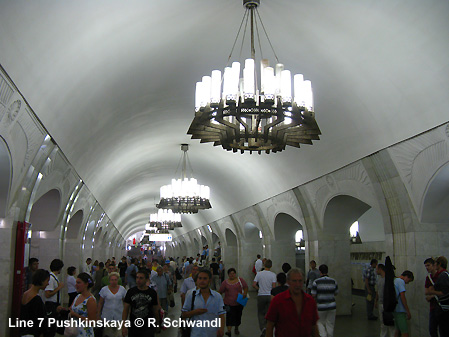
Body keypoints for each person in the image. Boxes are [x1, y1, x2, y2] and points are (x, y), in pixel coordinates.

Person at [266, 268, 319, 337]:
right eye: (294, 281)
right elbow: (270, 325)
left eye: (300, 281)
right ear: (288, 282)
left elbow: (314, 326)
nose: (297, 284)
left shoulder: (310, 301)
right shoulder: (278, 300)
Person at [182, 268, 226, 337]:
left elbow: (221, 315)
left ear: (210, 280)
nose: (202, 281)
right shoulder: (191, 295)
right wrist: (195, 312)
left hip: (212, 333)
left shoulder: (217, 296)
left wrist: (221, 329)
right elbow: (184, 314)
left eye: (205, 278)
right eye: (200, 278)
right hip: (196, 333)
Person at [122, 269, 160, 337]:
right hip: (134, 327)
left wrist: (157, 324)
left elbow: (155, 310)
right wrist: (124, 324)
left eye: (141, 278)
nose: (138, 280)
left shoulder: (152, 293)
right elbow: (126, 309)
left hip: (148, 327)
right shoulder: (131, 292)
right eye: (137, 277)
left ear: (147, 279)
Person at [20, 269, 50, 337]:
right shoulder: (36, 299)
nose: (48, 284)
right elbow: (40, 319)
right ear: (41, 280)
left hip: (24, 330)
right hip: (33, 332)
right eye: (47, 281)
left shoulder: (25, 294)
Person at [219, 267, 248, 336]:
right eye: (230, 274)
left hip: (239, 303)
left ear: (235, 274)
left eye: (233, 273)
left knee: (238, 316)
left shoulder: (240, 280)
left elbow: (245, 287)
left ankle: (236, 327)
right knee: (229, 316)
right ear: (228, 274)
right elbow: (221, 291)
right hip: (228, 303)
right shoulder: (225, 282)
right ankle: (229, 330)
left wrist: (245, 293)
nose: (232, 275)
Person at [311, 264, 338, 337]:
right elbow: (336, 293)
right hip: (332, 306)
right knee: (330, 324)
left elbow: (313, 294)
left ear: (320, 272)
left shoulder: (316, 282)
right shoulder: (333, 281)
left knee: (320, 323)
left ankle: (323, 335)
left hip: (320, 306)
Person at [97, 272, 127, 337]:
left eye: (115, 280)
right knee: (107, 334)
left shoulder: (122, 289)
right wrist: (98, 315)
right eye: (112, 280)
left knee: (119, 334)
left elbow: (125, 303)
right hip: (107, 316)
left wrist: (126, 315)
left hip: (119, 316)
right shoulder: (104, 290)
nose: (114, 281)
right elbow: (100, 303)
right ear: (109, 280)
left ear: (118, 280)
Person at [253, 259, 276, 335]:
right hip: (269, 295)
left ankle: (263, 328)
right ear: (271, 266)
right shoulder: (273, 275)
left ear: (264, 265)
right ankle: (268, 328)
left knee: (260, 313)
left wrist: (259, 289)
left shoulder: (259, 274)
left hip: (261, 295)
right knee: (268, 313)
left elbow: (254, 284)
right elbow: (274, 287)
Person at [427, 256, 449, 336]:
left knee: (443, 330)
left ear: (439, 264)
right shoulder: (444, 274)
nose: (434, 265)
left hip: (444, 308)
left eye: (435, 263)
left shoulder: (443, 275)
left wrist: (432, 292)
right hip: (443, 307)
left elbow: (444, 292)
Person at [70, 272, 97, 337]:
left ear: (86, 284)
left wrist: (76, 315)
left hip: (85, 333)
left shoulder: (90, 300)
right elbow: (71, 309)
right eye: (76, 282)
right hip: (74, 332)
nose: (76, 285)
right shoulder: (77, 297)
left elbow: (92, 322)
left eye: (79, 283)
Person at [44, 258, 65, 337]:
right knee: (51, 327)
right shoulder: (51, 278)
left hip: (54, 304)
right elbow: (48, 294)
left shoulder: (54, 277)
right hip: (50, 305)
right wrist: (59, 287)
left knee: (54, 326)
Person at [374, 264, 394, 337]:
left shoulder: (388, 279)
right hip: (381, 303)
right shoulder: (379, 279)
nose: (376, 271)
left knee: (390, 322)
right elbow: (378, 291)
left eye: (377, 269)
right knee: (382, 323)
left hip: (388, 304)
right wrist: (376, 301)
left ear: (380, 269)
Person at [393, 270, 414, 337]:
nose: (407, 283)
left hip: (394, 309)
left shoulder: (395, 280)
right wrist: (407, 311)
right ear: (406, 277)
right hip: (400, 310)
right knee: (404, 332)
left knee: (397, 331)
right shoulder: (400, 281)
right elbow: (402, 297)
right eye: (408, 281)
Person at [423, 257, 440, 337]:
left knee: (443, 329)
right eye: (426, 266)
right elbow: (426, 292)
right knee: (432, 329)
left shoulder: (440, 276)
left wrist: (432, 294)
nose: (427, 268)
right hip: (433, 307)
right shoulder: (428, 278)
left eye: (428, 265)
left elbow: (444, 291)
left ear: (434, 265)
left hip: (441, 306)